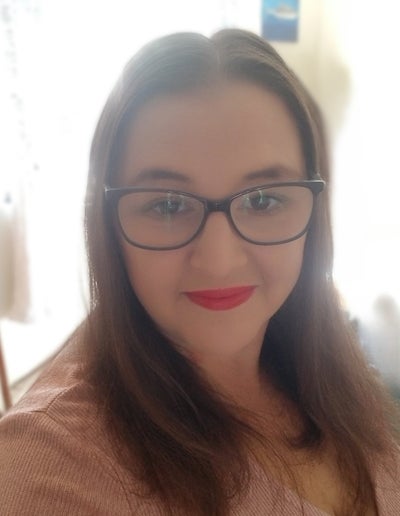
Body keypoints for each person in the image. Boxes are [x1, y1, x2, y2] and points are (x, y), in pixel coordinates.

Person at [0, 29, 399, 516]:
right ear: (108, 225)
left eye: (263, 201)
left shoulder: (326, 365)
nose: (219, 260)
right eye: (167, 205)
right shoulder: (49, 466)